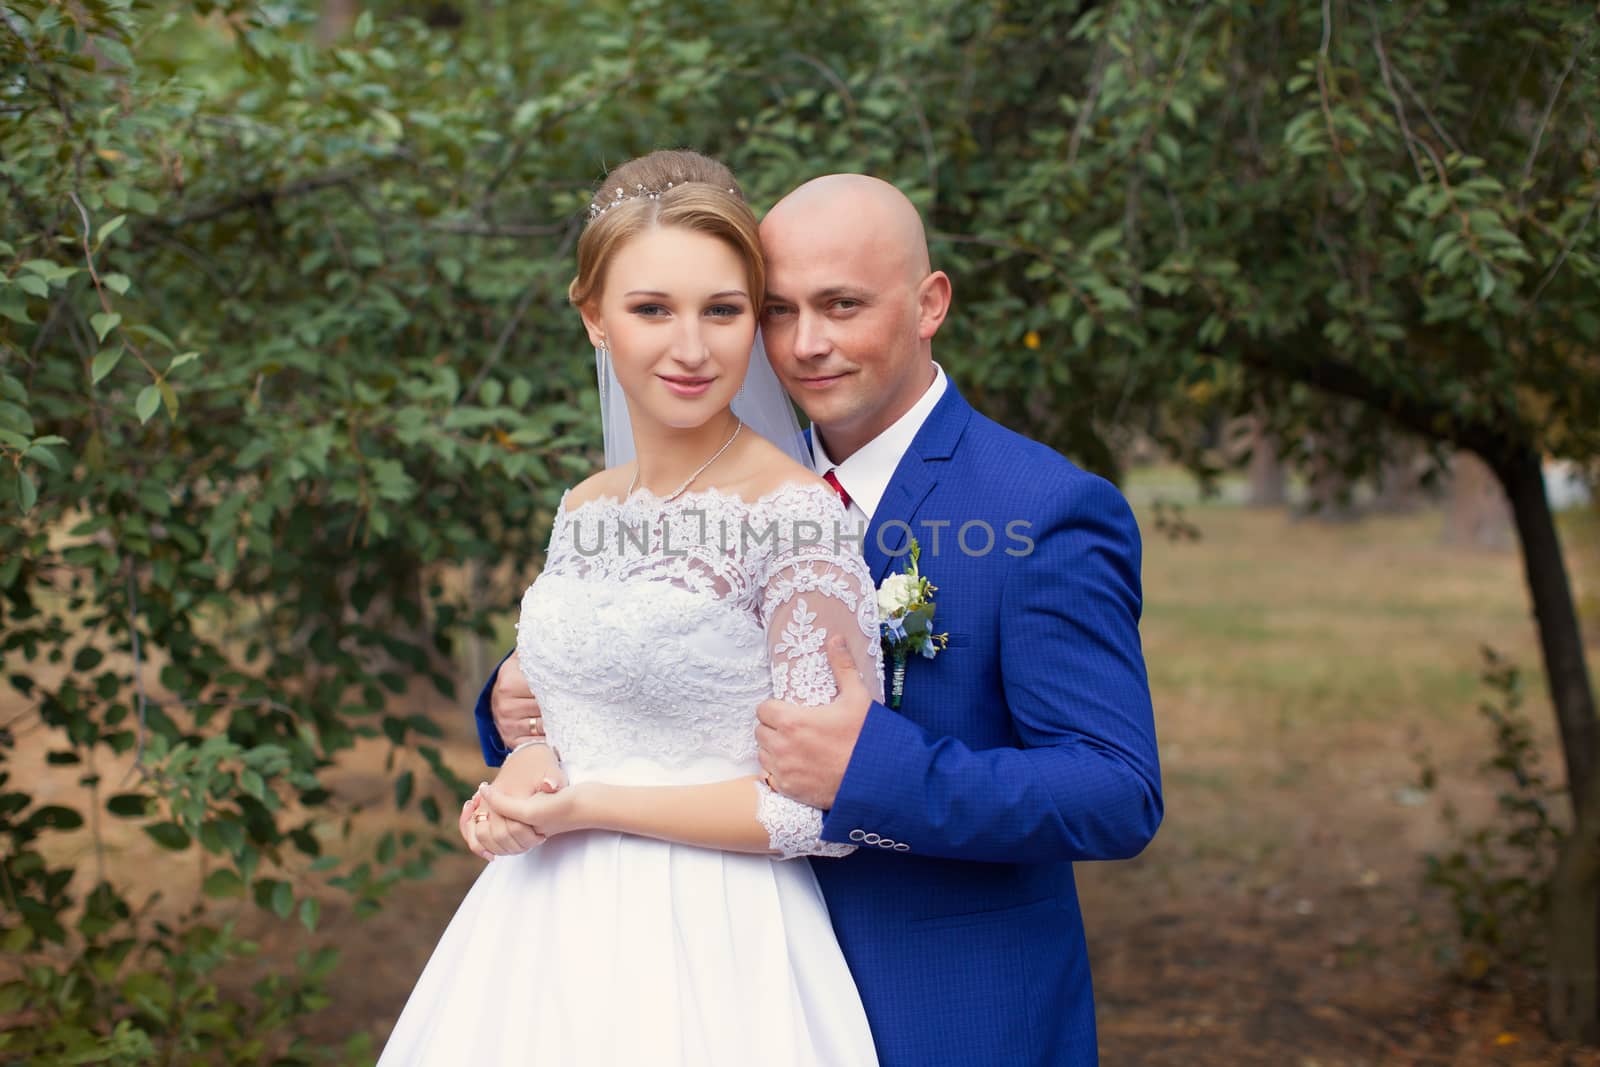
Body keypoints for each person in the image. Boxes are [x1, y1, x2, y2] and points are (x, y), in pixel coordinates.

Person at [473, 174, 1163, 1066]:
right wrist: (514, 708)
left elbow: (1115, 791)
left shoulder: (1041, 508)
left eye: (842, 306)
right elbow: (651, 664)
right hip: (699, 980)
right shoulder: (725, 481)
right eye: (776, 309)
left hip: (940, 1007)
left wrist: (876, 768)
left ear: (930, 303)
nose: (806, 345)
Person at [380, 151, 882, 1065]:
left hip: (718, 939)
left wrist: (591, 806)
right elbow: (577, 705)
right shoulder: (586, 506)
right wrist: (524, 775)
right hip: (535, 936)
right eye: (652, 308)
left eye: (722, 311)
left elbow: (822, 808)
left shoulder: (796, 515)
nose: (691, 349)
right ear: (594, 317)